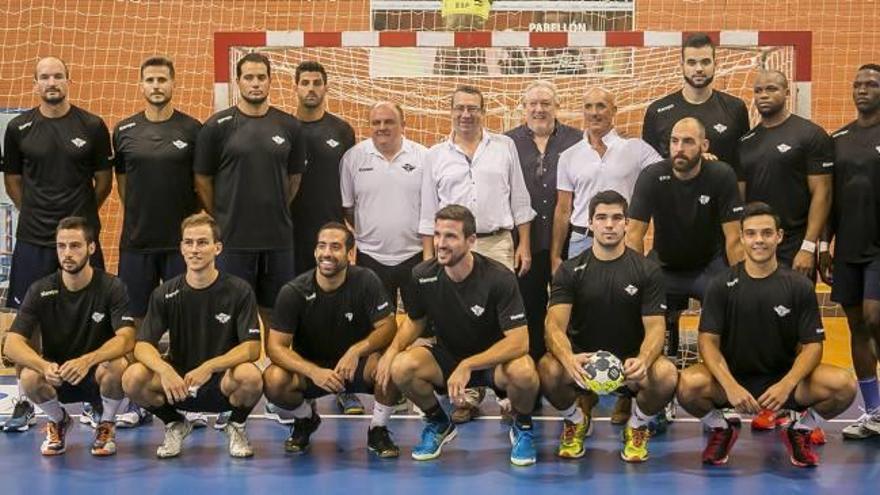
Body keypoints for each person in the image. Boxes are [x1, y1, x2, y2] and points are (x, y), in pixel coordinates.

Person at [676, 202, 856, 467]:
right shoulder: (721, 285)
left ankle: (800, 430)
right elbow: (707, 342)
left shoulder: (798, 286)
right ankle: (722, 429)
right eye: (751, 233)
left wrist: (787, 384)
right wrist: (730, 385)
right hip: (734, 380)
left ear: (779, 236)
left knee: (844, 385)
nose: (758, 240)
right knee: (687, 386)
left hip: (785, 382)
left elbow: (813, 346)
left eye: (766, 233)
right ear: (741, 237)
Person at [378, 205, 540, 466]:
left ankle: (522, 427)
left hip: (492, 364)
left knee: (524, 371)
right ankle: (439, 424)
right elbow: (415, 321)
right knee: (401, 366)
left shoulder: (499, 278)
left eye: (450, 236)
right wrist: (391, 351)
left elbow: (520, 342)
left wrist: (469, 364)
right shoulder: (422, 275)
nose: (441, 243)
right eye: (438, 234)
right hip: (447, 359)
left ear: (471, 241)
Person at [1, 57, 112, 432]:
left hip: (81, 238)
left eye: (58, 76)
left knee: (93, 318)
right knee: (26, 322)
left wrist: (78, 222)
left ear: (69, 79)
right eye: (45, 77)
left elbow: (103, 181)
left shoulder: (92, 126)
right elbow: (13, 180)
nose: (52, 82)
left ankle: (94, 398)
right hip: (34, 237)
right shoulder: (18, 128)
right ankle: (24, 396)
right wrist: (34, 213)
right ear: (35, 83)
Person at [420, 85, 536, 423]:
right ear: (451, 111)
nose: (466, 114)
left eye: (473, 108)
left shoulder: (505, 146)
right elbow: (429, 212)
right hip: (451, 247)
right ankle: (468, 393)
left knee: (500, 321)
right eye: (460, 108)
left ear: (484, 112)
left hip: (497, 241)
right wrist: (431, 258)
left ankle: (505, 393)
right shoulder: (435, 154)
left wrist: (523, 244)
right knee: (458, 320)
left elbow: (520, 200)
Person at [541, 190, 676, 463]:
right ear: (590, 223)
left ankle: (637, 425)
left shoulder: (647, 270)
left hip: (630, 364)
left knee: (667, 374)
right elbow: (553, 325)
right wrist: (568, 359)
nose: (609, 224)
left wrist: (644, 359)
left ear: (627, 223)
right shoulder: (570, 270)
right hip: (583, 363)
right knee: (547, 369)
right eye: (601, 218)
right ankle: (576, 420)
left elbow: (655, 328)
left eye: (617, 218)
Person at [627, 117, 744, 430]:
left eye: (688, 142)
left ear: (704, 146)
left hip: (709, 265)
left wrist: (740, 282)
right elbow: (635, 232)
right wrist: (635, 277)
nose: (679, 148)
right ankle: (657, 399)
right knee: (647, 321)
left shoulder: (721, 175)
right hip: (664, 266)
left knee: (728, 315)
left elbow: (733, 236)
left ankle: (721, 396)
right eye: (675, 141)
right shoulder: (653, 175)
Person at [106, 55, 201, 429]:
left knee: (185, 321)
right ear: (141, 85)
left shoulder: (193, 129)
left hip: (180, 246)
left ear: (173, 83)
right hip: (137, 244)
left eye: (163, 79)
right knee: (136, 323)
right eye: (150, 80)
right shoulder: (124, 129)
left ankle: (188, 394)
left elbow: (200, 185)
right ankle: (136, 399)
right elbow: (123, 186)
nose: (157, 85)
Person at [121, 213, 264, 458]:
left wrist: (210, 366)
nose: (194, 249)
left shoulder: (239, 290)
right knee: (133, 377)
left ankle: (236, 425)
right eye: (189, 242)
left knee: (250, 376)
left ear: (217, 248)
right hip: (179, 384)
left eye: (202, 242)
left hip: (222, 383)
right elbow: (142, 345)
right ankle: (175, 424)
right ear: (181, 248)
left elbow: (252, 348)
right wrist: (166, 371)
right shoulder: (165, 293)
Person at [263, 223, 400, 457]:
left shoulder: (366, 281)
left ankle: (378, 428)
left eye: (335, 247)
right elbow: (274, 348)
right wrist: (313, 371)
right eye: (322, 246)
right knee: (273, 379)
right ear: (315, 252)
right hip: (312, 372)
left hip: (358, 367)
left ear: (350, 254)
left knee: (394, 367)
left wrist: (357, 351)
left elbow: (389, 326)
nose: (327, 253)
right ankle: (306, 419)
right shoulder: (294, 291)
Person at [3, 217, 134, 456]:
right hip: (57, 375)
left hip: (96, 373)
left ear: (91, 248)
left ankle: (106, 424)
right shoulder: (41, 289)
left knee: (119, 365)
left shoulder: (111, 287)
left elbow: (126, 338)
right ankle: (59, 420)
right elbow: (11, 344)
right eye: (61, 246)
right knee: (29, 375)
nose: (67, 253)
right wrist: (43, 365)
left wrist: (88, 360)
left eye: (75, 245)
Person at [193, 52, 305, 327]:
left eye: (261, 77)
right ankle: (236, 369)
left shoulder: (290, 126)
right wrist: (221, 214)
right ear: (238, 82)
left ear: (270, 81)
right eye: (249, 77)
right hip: (233, 239)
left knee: (277, 315)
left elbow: (294, 179)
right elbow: (202, 180)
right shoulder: (215, 127)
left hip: (278, 239)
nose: (255, 83)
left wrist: (275, 206)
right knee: (230, 315)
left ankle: (277, 368)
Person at [819, 64, 880, 439]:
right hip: (848, 247)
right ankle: (873, 412)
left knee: (875, 317)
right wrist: (824, 243)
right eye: (857, 84)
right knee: (856, 324)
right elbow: (828, 199)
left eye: (871, 84)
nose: (862, 90)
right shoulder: (837, 138)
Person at [505, 81, 581, 367]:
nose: (539, 109)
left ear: (557, 107)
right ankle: (534, 370)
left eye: (545, 103)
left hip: (569, 243)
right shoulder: (506, 142)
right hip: (525, 244)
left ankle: (571, 375)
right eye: (532, 104)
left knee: (573, 311)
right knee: (530, 310)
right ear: (523, 108)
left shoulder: (578, 140)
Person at [552, 87, 661, 268]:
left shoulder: (637, 148)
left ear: (614, 111)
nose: (594, 113)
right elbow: (563, 210)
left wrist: (701, 158)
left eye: (601, 106)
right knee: (584, 297)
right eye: (589, 107)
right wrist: (555, 256)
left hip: (625, 240)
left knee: (626, 296)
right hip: (582, 242)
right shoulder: (568, 156)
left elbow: (670, 171)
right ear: (583, 111)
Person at [738, 70, 833, 275]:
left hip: (795, 245)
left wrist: (808, 247)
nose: (763, 95)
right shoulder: (746, 142)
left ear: (787, 92)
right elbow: (740, 199)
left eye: (771, 89)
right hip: (758, 243)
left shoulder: (811, 134)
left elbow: (822, 194)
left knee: (794, 305)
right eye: (758, 90)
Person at [341, 101, 426, 315]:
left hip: (415, 255)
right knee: (376, 325)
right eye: (376, 122)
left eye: (389, 121)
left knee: (422, 323)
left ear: (403, 124)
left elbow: (431, 208)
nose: (382, 127)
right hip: (370, 256)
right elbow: (348, 209)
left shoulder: (424, 157)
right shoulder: (353, 157)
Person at [642, 33, 750, 174]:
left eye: (705, 62)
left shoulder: (735, 108)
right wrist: (693, 161)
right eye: (692, 62)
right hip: (671, 194)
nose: (699, 68)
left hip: (720, 194)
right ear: (682, 65)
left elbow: (741, 167)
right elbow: (648, 167)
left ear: (715, 64)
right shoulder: (657, 111)